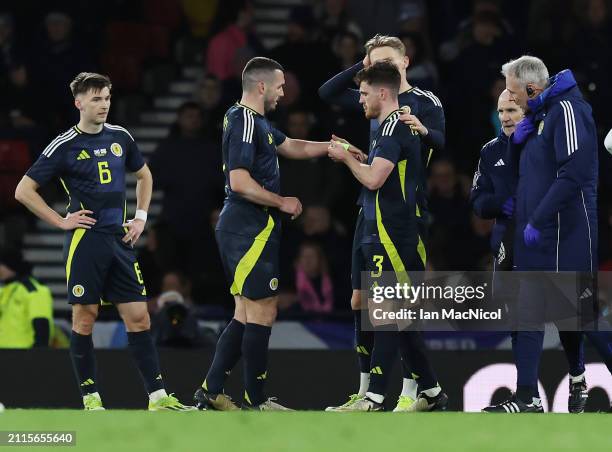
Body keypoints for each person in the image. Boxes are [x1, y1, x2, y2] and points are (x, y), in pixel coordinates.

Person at [14, 72, 193, 411]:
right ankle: (90, 397)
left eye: (107, 98)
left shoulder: (120, 137)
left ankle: (157, 397)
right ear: (78, 102)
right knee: (85, 317)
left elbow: (144, 175)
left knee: (139, 317)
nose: (103, 105)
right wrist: (61, 221)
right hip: (86, 241)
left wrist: (141, 217)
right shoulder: (64, 144)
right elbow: (23, 190)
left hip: (119, 239)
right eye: (96, 99)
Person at [193, 57, 355, 411]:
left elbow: (292, 145)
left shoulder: (256, 122)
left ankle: (211, 390)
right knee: (263, 310)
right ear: (262, 86)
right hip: (247, 227)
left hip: (250, 227)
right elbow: (239, 181)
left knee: (245, 313)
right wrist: (280, 200)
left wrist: (332, 149)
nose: (284, 93)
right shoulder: (245, 121)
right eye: (280, 86)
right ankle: (255, 401)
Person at [319, 34, 445, 412]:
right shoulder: (376, 103)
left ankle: (401, 392)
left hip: (403, 211)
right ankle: (416, 390)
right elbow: (327, 92)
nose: (360, 96)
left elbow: (440, 142)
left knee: (394, 304)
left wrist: (422, 129)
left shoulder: (419, 107)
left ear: (404, 62)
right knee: (362, 299)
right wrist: (366, 69)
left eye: (385, 62)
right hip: (370, 207)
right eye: (371, 62)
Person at [483, 56, 612, 413]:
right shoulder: (541, 115)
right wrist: (514, 143)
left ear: (531, 89)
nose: (507, 98)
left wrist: (537, 220)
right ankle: (527, 396)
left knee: (583, 318)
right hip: (539, 238)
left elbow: (574, 173)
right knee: (526, 313)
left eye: (511, 91)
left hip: (565, 235)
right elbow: (526, 175)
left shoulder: (568, 110)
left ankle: (538, 392)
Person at [0, 248, 53, 348]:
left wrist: (37, 356)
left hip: (23, 357)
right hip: (4, 356)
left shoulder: (33, 290)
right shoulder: (4, 291)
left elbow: (41, 325)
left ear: (9, 266)